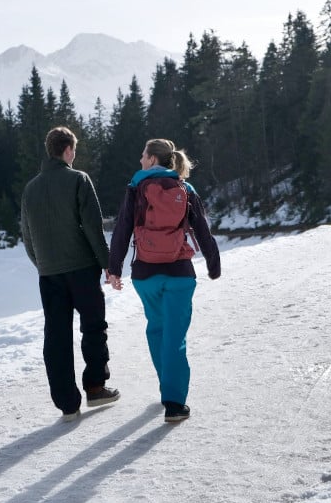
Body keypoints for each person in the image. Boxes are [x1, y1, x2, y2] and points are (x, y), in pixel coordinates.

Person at [107, 138, 220, 422]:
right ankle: (174, 402)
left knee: (157, 329)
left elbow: (122, 228)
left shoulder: (136, 188)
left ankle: (166, 387)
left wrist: (114, 268)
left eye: (144, 156)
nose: (141, 161)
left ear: (154, 160)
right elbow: (202, 230)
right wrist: (213, 263)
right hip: (180, 273)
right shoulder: (186, 188)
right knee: (175, 337)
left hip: (146, 274)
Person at [21, 126, 120, 421]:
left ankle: (67, 404)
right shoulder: (78, 179)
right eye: (73, 150)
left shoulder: (30, 189)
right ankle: (95, 386)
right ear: (67, 150)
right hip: (81, 269)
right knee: (93, 327)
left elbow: (27, 236)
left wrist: (43, 264)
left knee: (56, 335)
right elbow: (92, 226)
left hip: (49, 274)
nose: (74, 155)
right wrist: (108, 265)